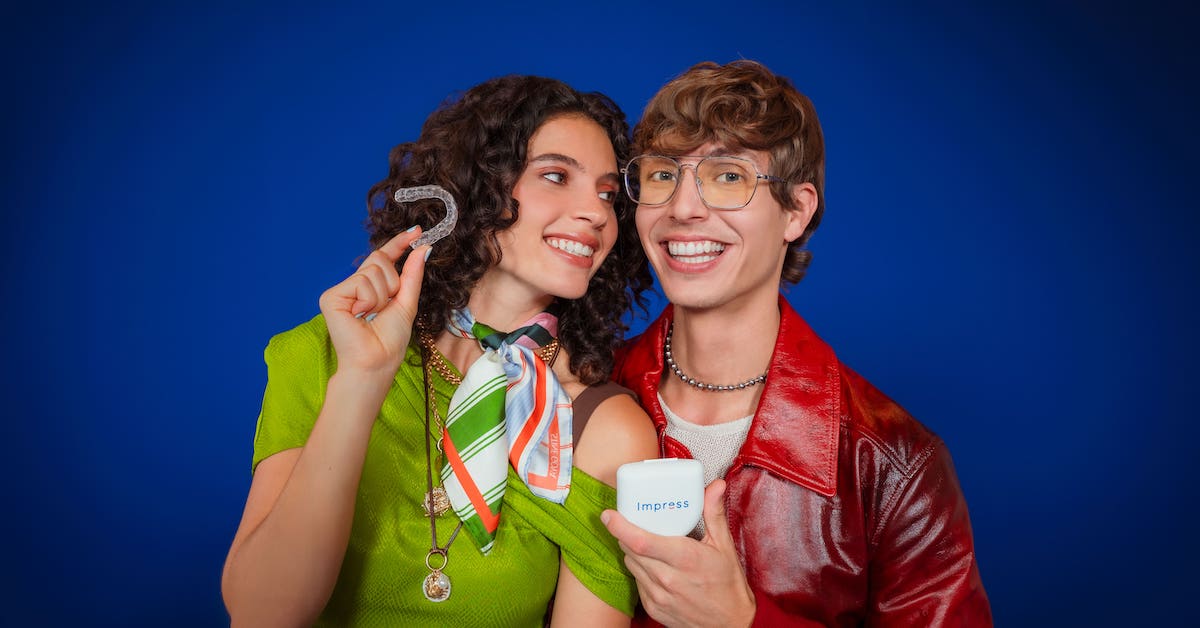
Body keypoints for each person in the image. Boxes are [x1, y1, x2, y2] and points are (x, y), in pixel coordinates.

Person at [222, 75, 660, 627]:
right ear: (477, 187)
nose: (596, 213)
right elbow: (262, 613)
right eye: (555, 176)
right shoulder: (323, 354)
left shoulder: (603, 428)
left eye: (607, 195)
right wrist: (361, 380)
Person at [601, 60, 992, 626]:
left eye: (728, 177)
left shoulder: (895, 462)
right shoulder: (578, 395)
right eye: (662, 175)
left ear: (796, 212)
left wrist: (742, 621)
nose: (682, 208)